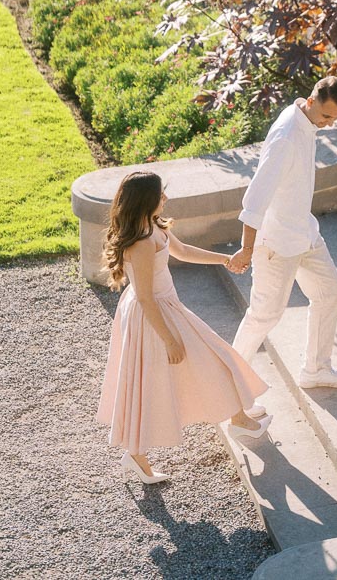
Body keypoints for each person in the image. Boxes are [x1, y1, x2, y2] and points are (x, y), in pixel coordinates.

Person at [97, 171, 271, 485]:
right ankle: (136, 455)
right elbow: (147, 297)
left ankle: (239, 418)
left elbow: (184, 251)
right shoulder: (140, 243)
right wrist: (169, 340)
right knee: (150, 384)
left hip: (168, 309)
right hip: (154, 317)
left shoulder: (154, 228)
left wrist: (226, 260)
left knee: (214, 355)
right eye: (161, 194)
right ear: (146, 201)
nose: (165, 198)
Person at [227, 76, 337, 394]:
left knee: (329, 293)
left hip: (305, 232)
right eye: (326, 116)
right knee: (264, 315)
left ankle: (316, 369)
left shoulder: (308, 120)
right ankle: (229, 383)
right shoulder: (287, 137)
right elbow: (256, 197)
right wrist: (247, 248)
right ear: (311, 101)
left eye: (335, 119)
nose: (328, 124)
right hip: (276, 243)